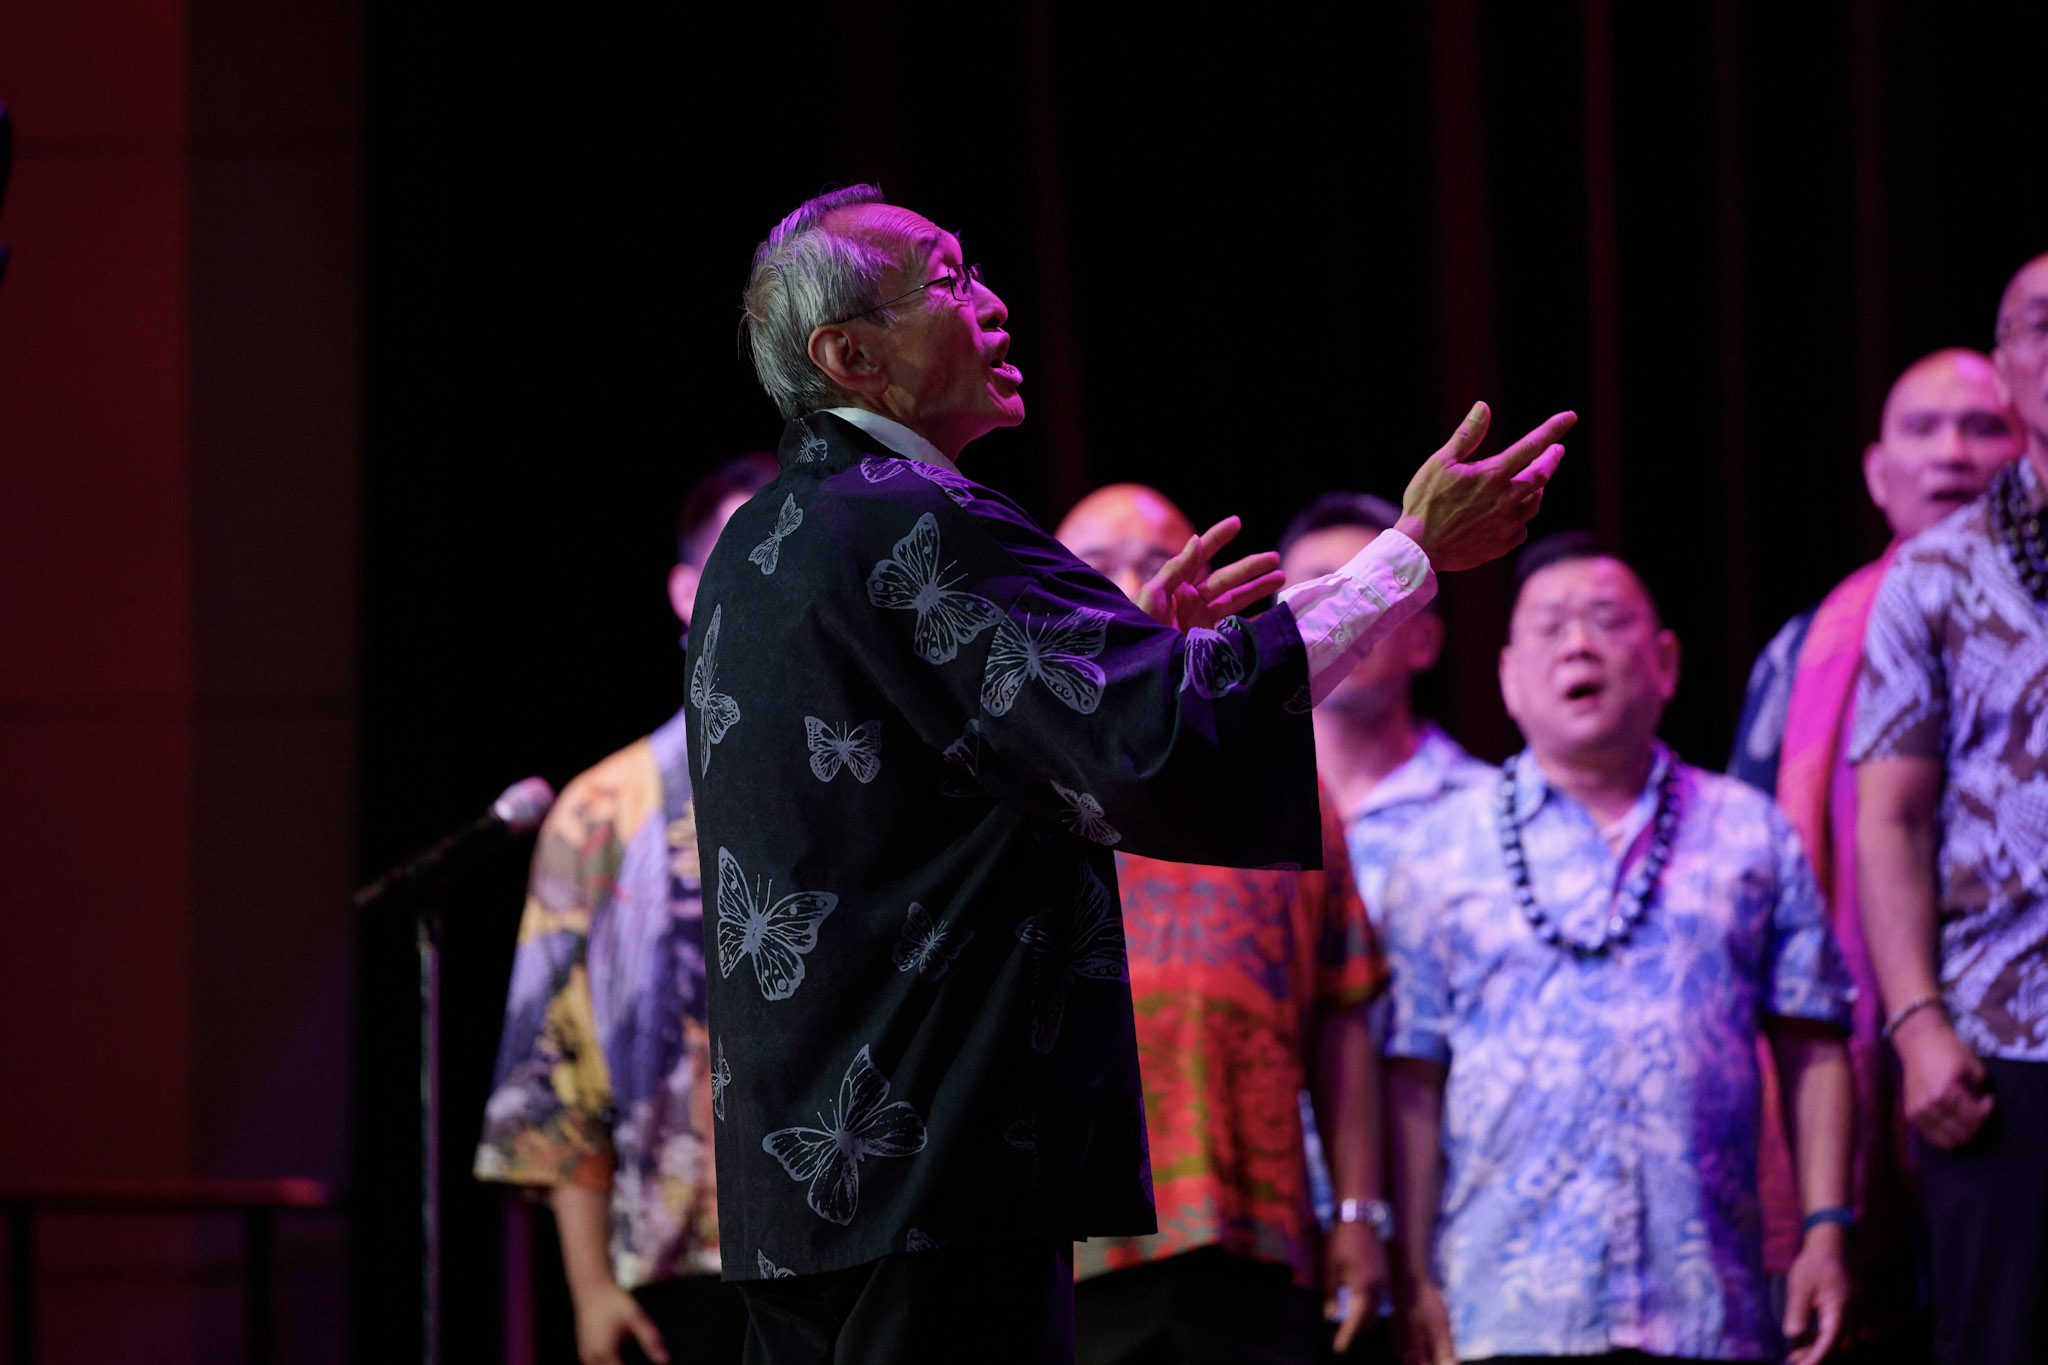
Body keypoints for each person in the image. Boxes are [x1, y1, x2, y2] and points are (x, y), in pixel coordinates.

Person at [686, 183, 1574, 1364]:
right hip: (937, 1172)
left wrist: (1126, 654)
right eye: (946, 284)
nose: (994, 306)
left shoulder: (763, 539)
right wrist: (1410, 555)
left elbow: (947, 760)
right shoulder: (920, 518)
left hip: (810, 1187)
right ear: (849, 355)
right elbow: (1148, 744)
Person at [1383, 533, 1856, 1365]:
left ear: (1666, 661)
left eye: (1606, 620)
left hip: (1707, 1304)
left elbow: (1813, 1041)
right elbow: (1414, 1073)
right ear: (1507, 676)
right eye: (1551, 626)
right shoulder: (1440, 850)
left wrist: (1824, 1229)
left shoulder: (1749, 832)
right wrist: (1415, 1273)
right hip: (1503, 1305)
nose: (1578, 644)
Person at [1054, 483, 1389, 1365]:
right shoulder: (1025, 778)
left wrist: (1356, 1213)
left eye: (1158, 559)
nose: (1135, 585)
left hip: (1261, 1237)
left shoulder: (1282, 777)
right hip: (1071, 1250)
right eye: (1097, 568)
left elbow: (1344, 1013)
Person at [1727, 350, 2020, 1356]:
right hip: (1856, 1060)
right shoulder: (1803, 648)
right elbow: (1761, 884)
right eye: (1920, 430)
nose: (1950, 452)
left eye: (1980, 427)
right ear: (1872, 470)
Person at [475, 454, 777, 1365]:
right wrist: (591, 1287)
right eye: (743, 548)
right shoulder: (603, 813)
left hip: (876, 1256)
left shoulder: (890, 772)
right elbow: (557, 1071)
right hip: (684, 1271)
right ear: (687, 591)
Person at [1853, 251, 2048, 1365]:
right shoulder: (1930, 574)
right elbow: (1889, 818)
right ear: (2005, 363)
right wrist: (1917, 1022)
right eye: (2041, 326)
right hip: (1999, 1040)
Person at [1276, 492, 1494, 935]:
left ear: (1424, 640)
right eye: (1318, 592)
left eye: (1366, 598)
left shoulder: (1492, 811)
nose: (1342, 622)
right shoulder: (1233, 804)